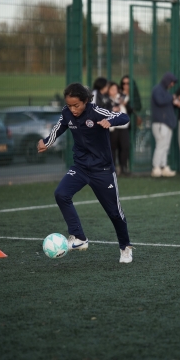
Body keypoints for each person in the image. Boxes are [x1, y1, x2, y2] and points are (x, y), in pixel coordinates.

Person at [37, 82, 133, 263]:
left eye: (77, 105)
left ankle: (125, 247)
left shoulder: (97, 112)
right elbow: (58, 128)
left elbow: (124, 117)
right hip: (80, 167)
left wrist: (110, 121)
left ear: (86, 101)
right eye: (70, 105)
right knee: (61, 194)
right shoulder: (67, 113)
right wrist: (46, 142)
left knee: (114, 212)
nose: (73, 109)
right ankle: (78, 237)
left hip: (102, 170)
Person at [151, 72, 180, 177]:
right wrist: (172, 98)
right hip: (160, 122)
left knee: (165, 146)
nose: (172, 84)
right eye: (172, 82)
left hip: (167, 123)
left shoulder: (165, 91)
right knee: (161, 145)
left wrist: (174, 102)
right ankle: (156, 167)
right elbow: (160, 101)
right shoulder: (157, 89)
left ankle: (163, 166)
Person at [108, 82, 130, 176]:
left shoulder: (120, 97)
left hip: (123, 126)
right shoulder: (106, 99)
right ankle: (113, 168)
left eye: (115, 89)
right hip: (113, 127)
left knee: (124, 147)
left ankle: (123, 167)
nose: (114, 91)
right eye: (112, 89)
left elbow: (126, 98)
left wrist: (121, 100)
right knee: (113, 148)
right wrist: (113, 109)